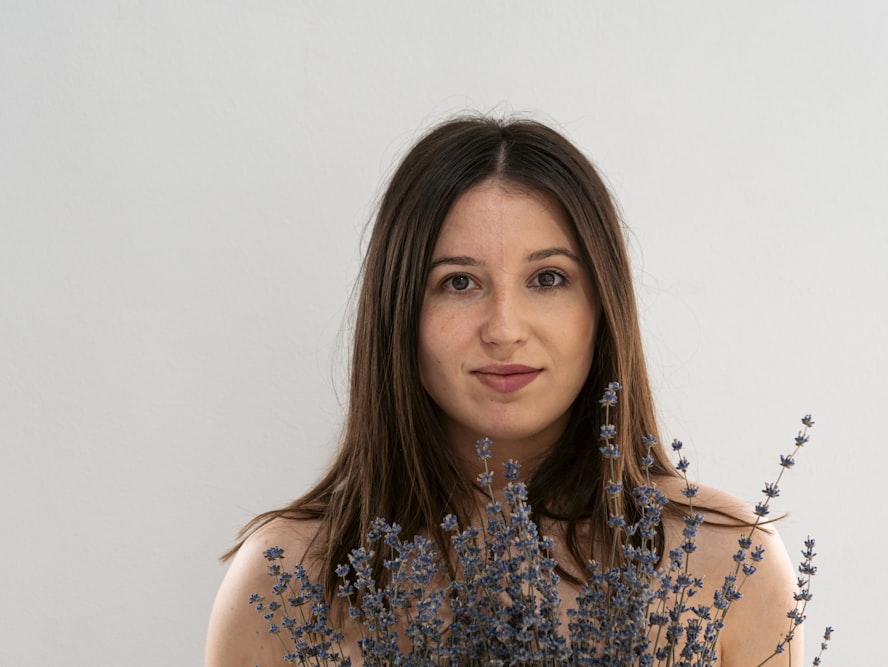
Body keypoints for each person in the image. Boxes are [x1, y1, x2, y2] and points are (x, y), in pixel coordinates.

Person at [205, 115, 802, 666]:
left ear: (601, 307)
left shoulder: (731, 566)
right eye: (459, 282)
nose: (504, 329)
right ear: (399, 314)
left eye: (548, 278)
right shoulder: (286, 579)